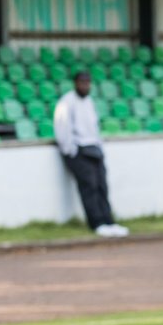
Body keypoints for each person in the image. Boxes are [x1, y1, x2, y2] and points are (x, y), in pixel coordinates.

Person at [53, 71, 128, 237]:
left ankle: (109, 222)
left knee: (102, 186)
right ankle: (97, 223)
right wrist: (71, 151)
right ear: (75, 83)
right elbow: (62, 129)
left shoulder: (89, 102)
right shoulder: (66, 102)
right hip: (78, 151)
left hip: (94, 149)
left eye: (87, 82)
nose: (85, 85)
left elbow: (94, 128)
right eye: (81, 82)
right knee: (89, 187)